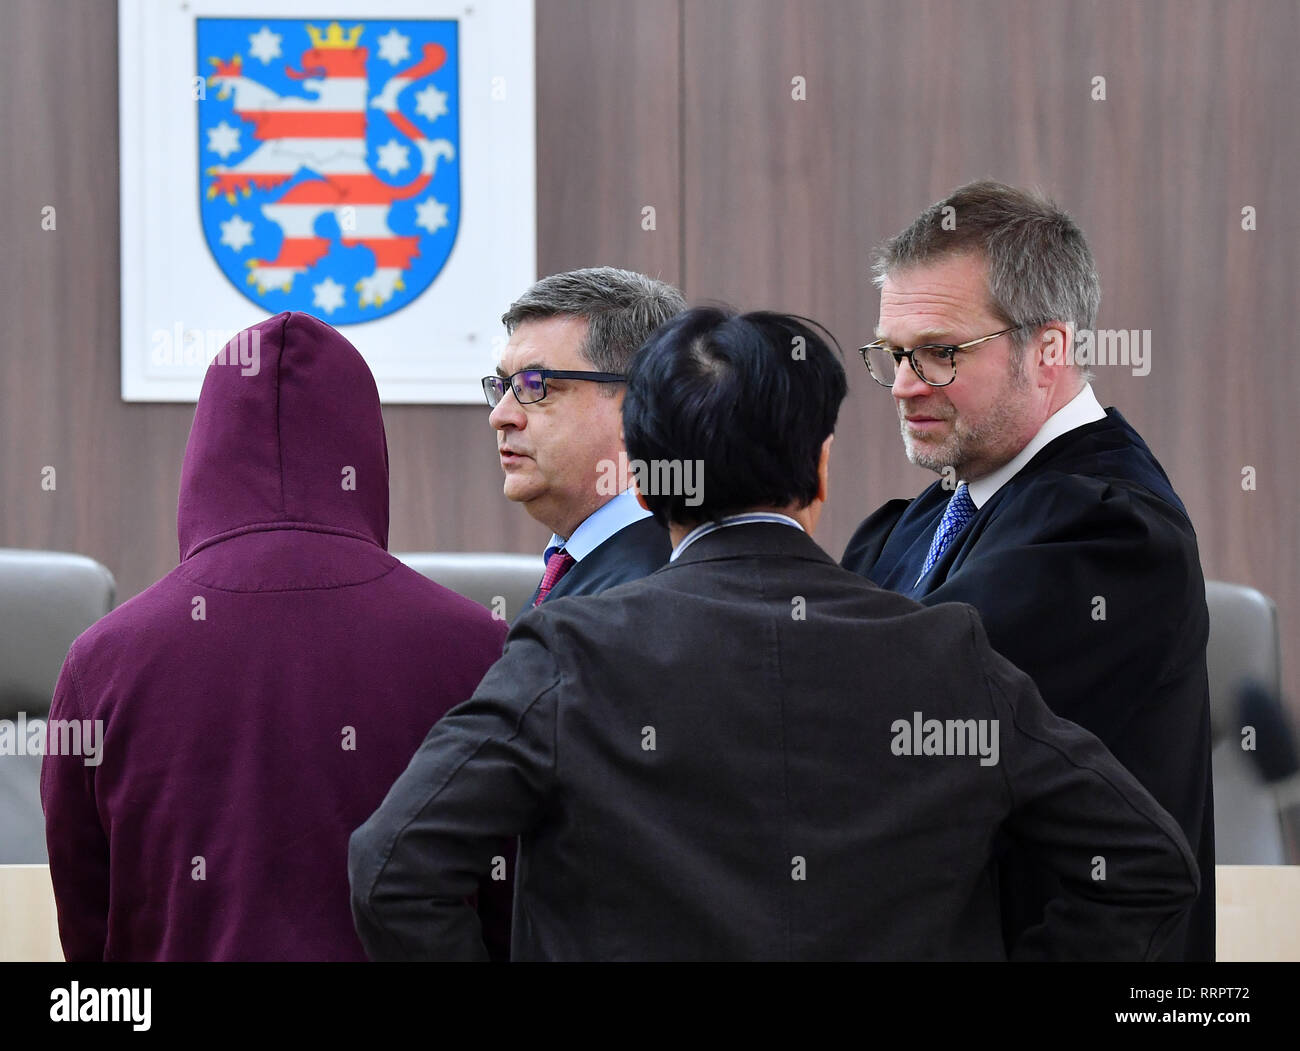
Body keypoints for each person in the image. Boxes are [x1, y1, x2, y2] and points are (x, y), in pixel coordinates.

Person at [349, 307, 1198, 961]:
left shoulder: (570, 655)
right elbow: (1146, 864)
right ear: (821, 466)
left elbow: (394, 867)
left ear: (644, 482)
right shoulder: (949, 655)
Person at [41, 311, 507, 961]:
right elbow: (512, 902)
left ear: (203, 448)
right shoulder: (481, 648)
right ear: (366, 448)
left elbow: (88, 918)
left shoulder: (101, 663)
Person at [841, 180, 1215, 960]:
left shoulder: (1113, 532)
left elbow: (884, 730)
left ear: (1049, 348)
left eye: (941, 352)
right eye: (894, 354)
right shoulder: (919, 520)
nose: (906, 383)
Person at [485, 267, 685, 614]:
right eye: (504, 386)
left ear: (638, 403)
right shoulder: (577, 566)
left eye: (536, 385)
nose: (500, 416)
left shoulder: (656, 592)